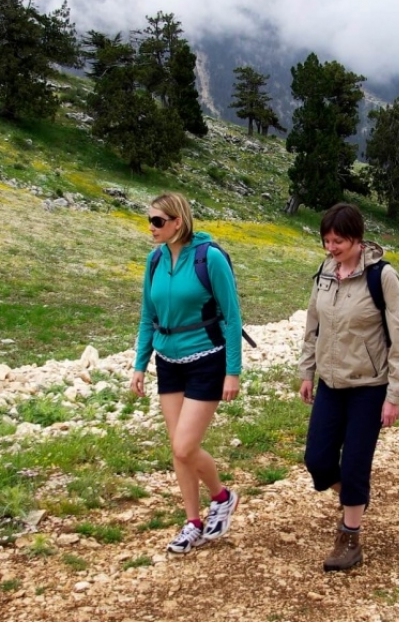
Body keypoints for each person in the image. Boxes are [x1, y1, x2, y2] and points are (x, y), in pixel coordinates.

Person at [299, 203, 399, 571]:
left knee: (355, 464)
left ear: (358, 239)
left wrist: (394, 395)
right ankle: (353, 496)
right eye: (327, 241)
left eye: (339, 242)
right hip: (331, 382)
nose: (332, 248)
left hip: (370, 386)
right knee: (317, 459)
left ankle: (350, 537)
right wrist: (307, 372)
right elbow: (312, 325)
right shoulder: (325, 272)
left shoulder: (383, 277)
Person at [130, 192, 242, 555]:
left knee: (184, 445)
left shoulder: (209, 258)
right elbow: (148, 316)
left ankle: (222, 497)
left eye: (158, 221)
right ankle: (193, 522)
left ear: (178, 221)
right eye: (149, 220)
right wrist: (139, 365)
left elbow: (233, 316)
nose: (151, 227)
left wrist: (233, 372)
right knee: (179, 452)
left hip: (206, 358)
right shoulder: (154, 260)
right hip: (168, 361)